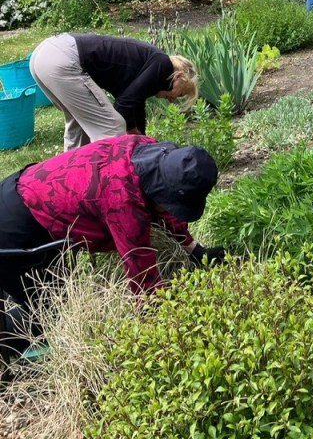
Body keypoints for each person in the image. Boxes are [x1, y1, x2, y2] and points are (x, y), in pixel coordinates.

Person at [0, 135, 223, 358]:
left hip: (27, 189)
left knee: (57, 295)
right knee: (48, 317)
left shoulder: (150, 152)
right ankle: (13, 351)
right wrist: (169, 334)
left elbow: (165, 208)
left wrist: (194, 249)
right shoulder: (123, 200)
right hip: (15, 227)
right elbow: (143, 279)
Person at [29, 33, 198, 151]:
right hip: (63, 59)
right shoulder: (163, 64)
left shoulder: (149, 62)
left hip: (44, 56)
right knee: (113, 127)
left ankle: (71, 180)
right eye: (180, 94)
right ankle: (111, 187)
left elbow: (134, 104)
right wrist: (132, 132)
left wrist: (141, 138)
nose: (172, 100)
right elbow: (124, 106)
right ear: (179, 77)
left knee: (80, 128)